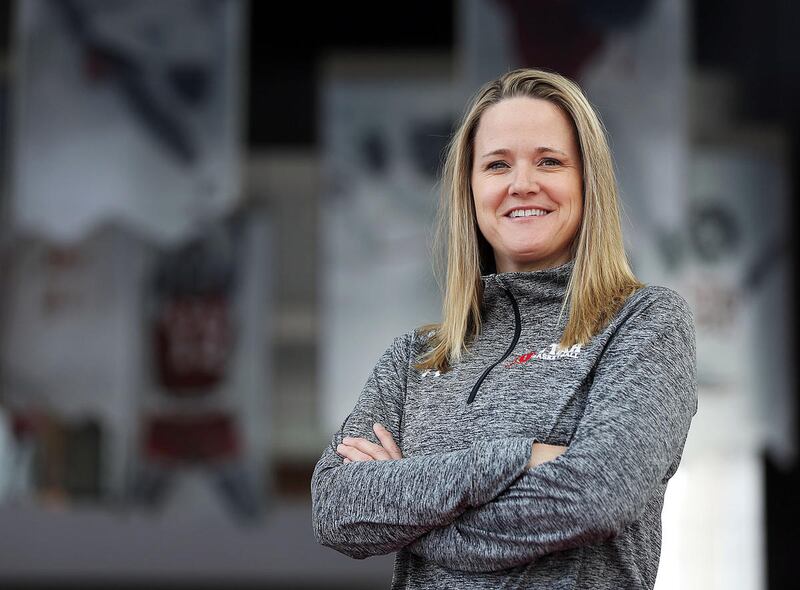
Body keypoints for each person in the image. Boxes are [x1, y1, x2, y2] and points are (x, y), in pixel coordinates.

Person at [311, 67, 697, 589]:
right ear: (470, 190)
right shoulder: (415, 359)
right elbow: (335, 508)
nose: (522, 184)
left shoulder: (643, 323)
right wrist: (516, 458)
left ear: (588, 182)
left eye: (549, 161)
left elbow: (596, 494)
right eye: (497, 165)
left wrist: (408, 511)